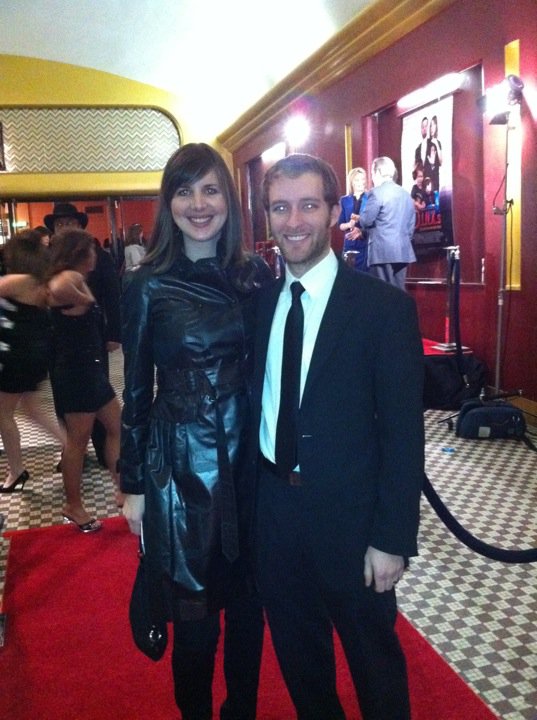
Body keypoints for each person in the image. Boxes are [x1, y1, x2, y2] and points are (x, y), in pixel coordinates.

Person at [250, 153, 424, 720]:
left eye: (307, 205)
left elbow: (403, 435)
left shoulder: (384, 309)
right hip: (275, 513)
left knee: (374, 665)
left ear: (331, 211)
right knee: (301, 663)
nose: (294, 220)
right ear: (267, 216)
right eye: (281, 207)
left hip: (353, 521)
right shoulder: (257, 308)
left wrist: (392, 537)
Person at [120, 143, 272, 720]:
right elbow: (135, 390)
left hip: (253, 461)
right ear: (168, 202)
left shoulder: (254, 274)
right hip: (181, 467)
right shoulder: (147, 284)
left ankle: (242, 710)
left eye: (210, 189)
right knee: (196, 617)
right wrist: (133, 484)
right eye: (184, 191)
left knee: (248, 609)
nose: (198, 204)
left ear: (230, 201)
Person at [47, 229, 122, 531]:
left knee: (116, 427)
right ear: (78, 252)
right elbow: (56, 292)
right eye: (90, 250)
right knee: (77, 442)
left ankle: (122, 487)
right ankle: (73, 505)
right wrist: (86, 297)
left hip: (90, 371)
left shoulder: (74, 279)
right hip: (76, 372)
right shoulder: (66, 279)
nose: (96, 255)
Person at [44, 202, 121, 468]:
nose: (63, 227)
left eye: (68, 222)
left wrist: (114, 333)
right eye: (59, 223)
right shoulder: (56, 273)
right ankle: (74, 498)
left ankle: (102, 456)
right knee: (73, 421)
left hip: (92, 344)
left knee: (106, 422)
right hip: (66, 352)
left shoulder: (98, 257)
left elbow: (113, 296)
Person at [0, 230, 66, 492]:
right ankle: (69, 446)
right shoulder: (40, 281)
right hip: (31, 354)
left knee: (3, 414)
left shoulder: (21, 280)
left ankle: (16, 471)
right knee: (31, 409)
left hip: (17, 355)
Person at [358, 156, 416, 290]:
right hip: (402, 251)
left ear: (378, 173)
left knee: (382, 293)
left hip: (381, 252)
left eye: (372, 174)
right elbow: (411, 226)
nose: (372, 178)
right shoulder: (405, 194)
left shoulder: (376, 193)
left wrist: (359, 217)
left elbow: (366, 221)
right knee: (399, 293)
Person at [338, 167, 369, 272]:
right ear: (352, 182)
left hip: (365, 244)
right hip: (349, 244)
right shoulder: (344, 200)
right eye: (357, 180)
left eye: (363, 179)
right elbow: (340, 225)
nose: (361, 182)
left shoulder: (371, 198)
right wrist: (349, 225)